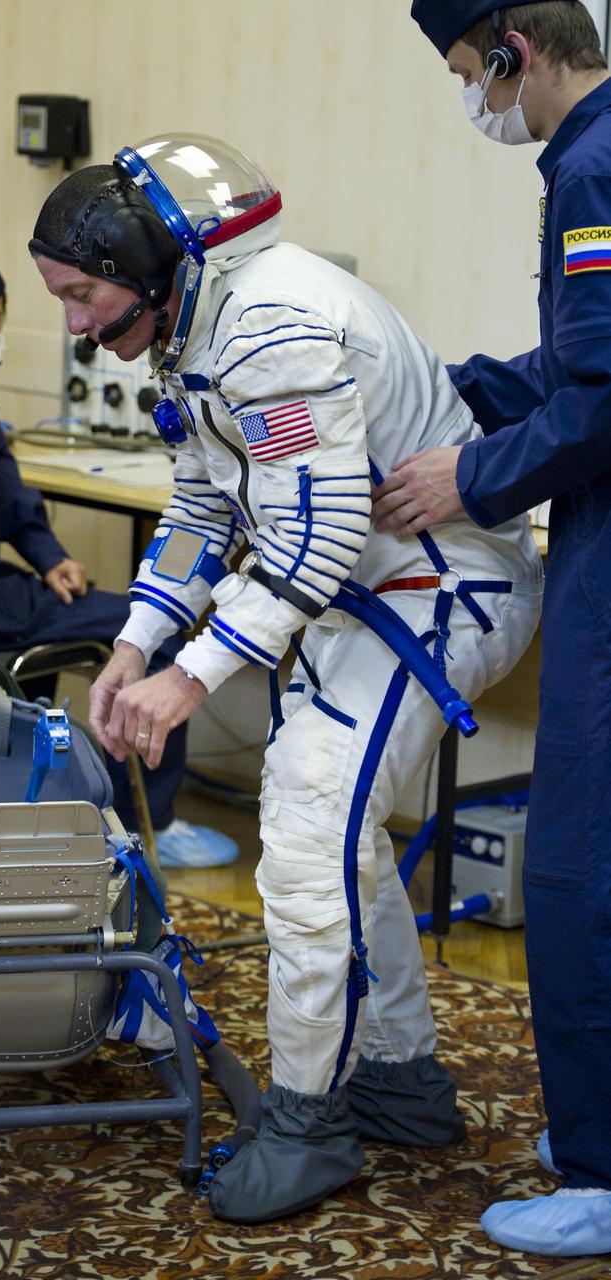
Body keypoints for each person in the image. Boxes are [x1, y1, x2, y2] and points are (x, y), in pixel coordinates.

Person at [30, 134, 543, 1223]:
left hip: (440, 582)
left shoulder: (270, 320)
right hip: (369, 585)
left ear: (140, 265)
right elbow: (205, 508)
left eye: (80, 295)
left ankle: (308, 1122)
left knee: (309, 825)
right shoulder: (199, 317)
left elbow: (315, 536)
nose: (73, 324)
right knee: (332, 825)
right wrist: (134, 644)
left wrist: (189, 680)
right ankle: (396, 1076)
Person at [376, 0, 611, 1257]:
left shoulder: (586, 165)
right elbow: (575, 360)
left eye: (472, 75)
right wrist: (451, 384)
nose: (475, 100)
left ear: (515, 54)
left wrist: (464, 477)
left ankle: (598, 1167)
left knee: (574, 862)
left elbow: (604, 397)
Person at [0, 225, 237, 870]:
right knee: (160, 636)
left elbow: (2, 490)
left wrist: (50, 555)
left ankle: (73, 809)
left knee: (108, 618)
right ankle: (147, 824)